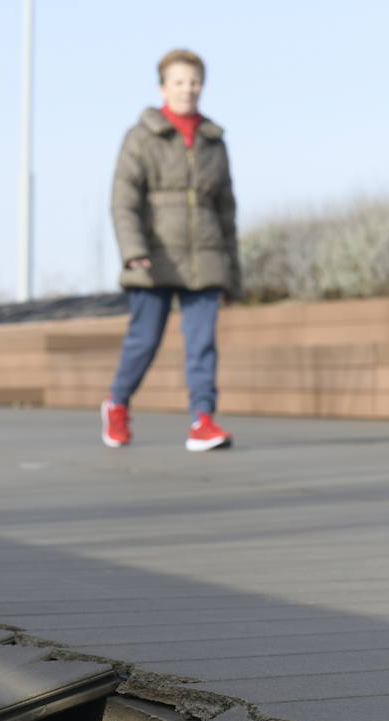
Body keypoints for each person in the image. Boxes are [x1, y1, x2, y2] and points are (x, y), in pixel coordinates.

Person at [102, 48, 240, 451]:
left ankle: (203, 420)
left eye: (195, 81)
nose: (188, 89)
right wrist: (133, 250)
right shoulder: (141, 136)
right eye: (179, 81)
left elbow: (227, 209)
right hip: (154, 256)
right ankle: (117, 405)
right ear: (163, 87)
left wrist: (233, 270)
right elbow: (123, 200)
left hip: (207, 257)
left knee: (202, 344)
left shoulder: (214, 140)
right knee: (143, 340)